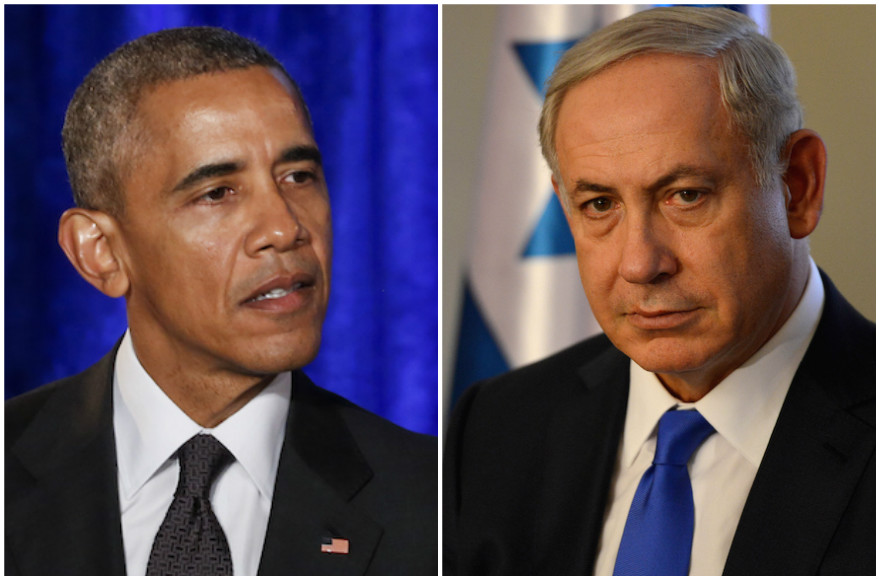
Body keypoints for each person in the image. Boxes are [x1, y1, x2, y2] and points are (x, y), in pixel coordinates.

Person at [444, 7, 874, 575]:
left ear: (797, 186)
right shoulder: (498, 426)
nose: (641, 263)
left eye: (686, 195)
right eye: (599, 205)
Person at [6, 26, 436, 576]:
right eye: (217, 192)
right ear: (102, 253)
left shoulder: (436, 501)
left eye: (299, 175)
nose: (284, 228)